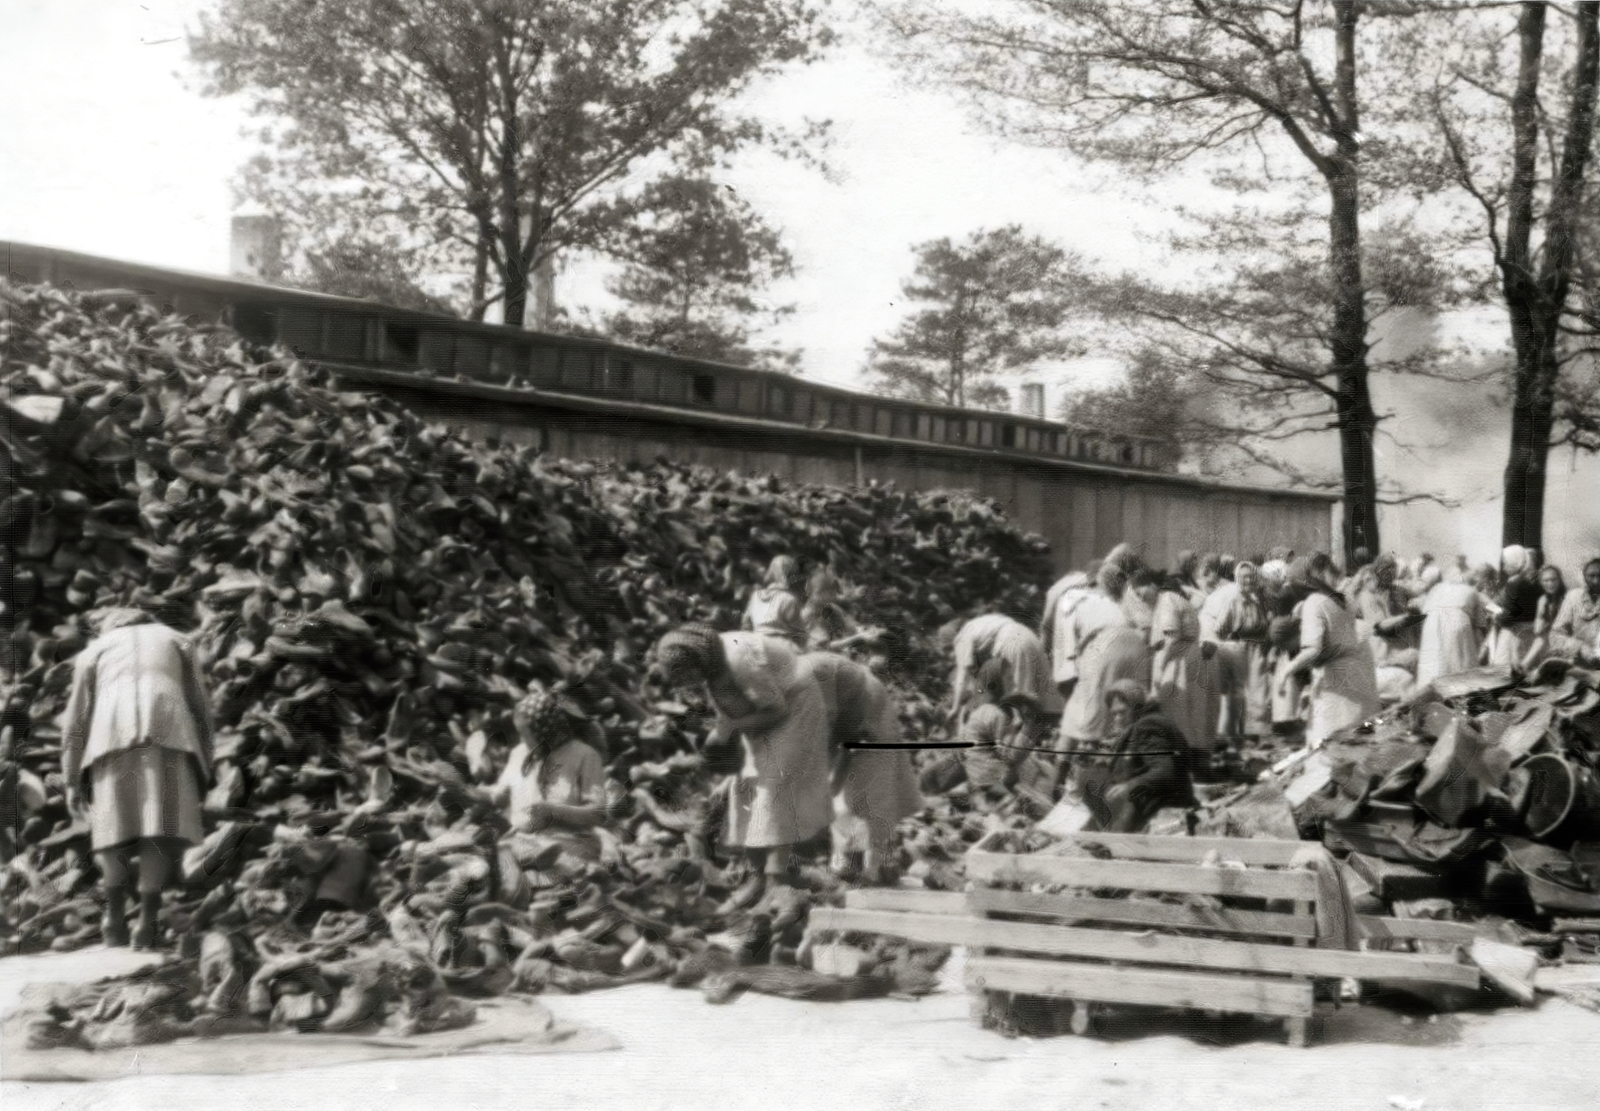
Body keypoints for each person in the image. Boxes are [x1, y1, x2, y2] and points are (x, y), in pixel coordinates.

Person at [60, 608, 215, 949]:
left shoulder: (94, 651)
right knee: (156, 829)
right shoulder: (178, 640)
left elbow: (76, 721)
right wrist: (207, 762)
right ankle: (146, 923)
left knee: (111, 829)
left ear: (110, 625)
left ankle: (113, 919)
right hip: (169, 734)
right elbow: (200, 708)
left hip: (110, 737)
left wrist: (71, 776)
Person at [657, 625, 831, 900]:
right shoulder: (712, 665)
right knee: (745, 787)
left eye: (686, 675)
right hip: (762, 711)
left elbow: (776, 710)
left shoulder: (739, 658)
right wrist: (720, 738)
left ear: (697, 661)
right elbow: (728, 712)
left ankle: (776, 881)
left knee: (775, 787)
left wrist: (732, 729)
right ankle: (755, 876)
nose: (687, 683)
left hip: (796, 706)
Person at [804, 651, 922, 885]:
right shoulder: (792, 695)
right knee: (840, 800)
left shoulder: (824, 693)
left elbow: (847, 738)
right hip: (845, 711)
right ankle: (847, 860)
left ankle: (880, 864)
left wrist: (830, 783)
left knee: (873, 791)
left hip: (868, 713)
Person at [490, 688, 607, 859]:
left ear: (543, 731)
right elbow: (498, 795)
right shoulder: (520, 753)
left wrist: (554, 810)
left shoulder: (585, 756)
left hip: (568, 843)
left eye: (525, 734)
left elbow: (597, 813)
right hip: (521, 840)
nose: (521, 740)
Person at [1280, 555, 1380, 749]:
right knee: (1357, 740)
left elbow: (1313, 650)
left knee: (1328, 743)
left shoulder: (1314, 602)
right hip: (1358, 673)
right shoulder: (1344, 600)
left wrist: (1287, 670)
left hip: (1334, 680)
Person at [1080, 680, 1196, 834]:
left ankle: (1115, 838)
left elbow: (1164, 770)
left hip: (1158, 804)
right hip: (1146, 802)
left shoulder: (1149, 726)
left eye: (1122, 712)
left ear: (1136, 707)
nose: (1118, 719)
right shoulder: (1143, 725)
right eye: (1114, 714)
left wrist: (1129, 785)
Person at [1058, 563, 1152, 751]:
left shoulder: (1089, 600)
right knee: (1126, 700)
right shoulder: (1129, 598)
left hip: (1107, 646)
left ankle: (1087, 748)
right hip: (1132, 647)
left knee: (1092, 703)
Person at [1149, 572, 1220, 764]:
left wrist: (1157, 676)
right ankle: (1198, 763)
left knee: (1178, 712)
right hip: (1192, 657)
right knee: (1196, 713)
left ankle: (1182, 765)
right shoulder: (1182, 601)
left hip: (1178, 660)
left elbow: (1170, 638)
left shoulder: (1167, 600)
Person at [1202, 560, 1272, 740]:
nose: (1248, 581)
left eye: (1250, 577)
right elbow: (1219, 629)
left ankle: (1257, 736)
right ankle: (1234, 736)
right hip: (1239, 649)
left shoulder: (1259, 599)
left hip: (1258, 650)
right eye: (1244, 577)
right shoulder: (1232, 601)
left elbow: (1265, 623)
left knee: (1259, 694)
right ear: (1237, 579)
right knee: (1239, 693)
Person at [948, 612, 1058, 725]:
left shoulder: (962, 637)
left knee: (1023, 702)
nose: (950, 655)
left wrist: (955, 708)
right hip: (1029, 636)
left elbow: (962, 677)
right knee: (1044, 700)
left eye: (948, 649)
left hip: (1012, 642)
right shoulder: (981, 625)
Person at [1352, 553, 1422, 704]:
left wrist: (1415, 604)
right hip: (1383, 651)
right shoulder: (1367, 595)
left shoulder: (1394, 590)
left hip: (1398, 645)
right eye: (1389, 575)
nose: (1392, 580)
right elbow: (1380, 626)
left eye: (1394, 575)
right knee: (1415, 658)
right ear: (1380, 573)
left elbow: (1417, 595)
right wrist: (1405, 617)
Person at [1417, 565, 1490, 688]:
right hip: (1457, 621)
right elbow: (1480, 627)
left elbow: (1424, 611)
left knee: (1434, 661)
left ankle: (1430, 691)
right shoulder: (1473, 592)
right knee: (1460, 661)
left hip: (1430, 623)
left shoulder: (1436, 589)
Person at [1487, 545, 1542, 668]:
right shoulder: (1529, 580)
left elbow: (1511, 615)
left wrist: (1496, 613)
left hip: (1515, 633)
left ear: (1516, 562)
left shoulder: (1515, 582)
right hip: (1528, 633)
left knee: (1505, 669)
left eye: (1506, 563)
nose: (1504, 567)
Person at [743, 555, 806, 645]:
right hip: (781, 646)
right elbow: (799, 633)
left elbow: (746, 625)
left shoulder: (755, 596)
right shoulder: (789, 599)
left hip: (756, 642)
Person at [1548, 558, 1600, 663]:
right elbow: (1555, 634)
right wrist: (1579, 647)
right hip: (1580, 662)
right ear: (1584, 576)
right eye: (1591, 576)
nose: (1596, 581)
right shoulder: (1574, 597)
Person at [1521, 564, 1570, 671]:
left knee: (1542, 638)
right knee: (1540, 637)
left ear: (1560, 580)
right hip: (1549, 640)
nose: (1550, 584)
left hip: (1567, 639)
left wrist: (1548, 623)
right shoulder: (1543, 600)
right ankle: (1524, 667)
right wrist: (1548, 620)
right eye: (1546, 580)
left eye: (1553, 580)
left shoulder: (1568, 598)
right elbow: (1537, 629)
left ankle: (1524, 666)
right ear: (1541, 583)